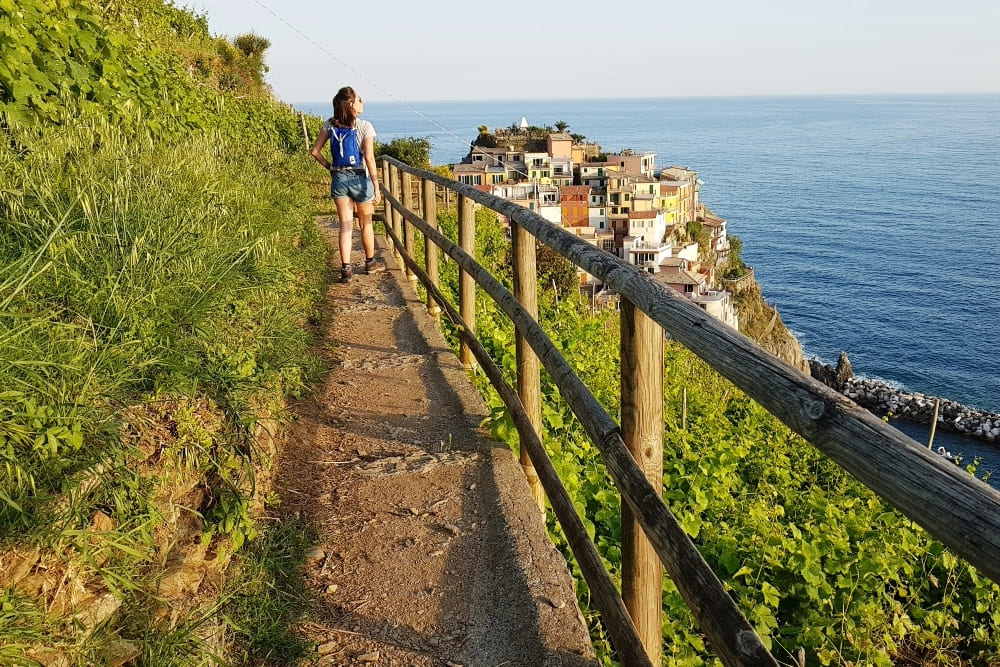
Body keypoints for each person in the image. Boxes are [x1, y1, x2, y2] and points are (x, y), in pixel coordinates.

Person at [311, 86, 385, 282]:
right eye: (360, 99)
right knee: (365, 222)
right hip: (360, 179)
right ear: (351, 104)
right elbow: (369, 158)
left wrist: (331, 168)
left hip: (339, 179)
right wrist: (376, 188)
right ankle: (370, 263)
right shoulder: (365, 126)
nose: (363, 102)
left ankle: (345, 269)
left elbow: (315, 152)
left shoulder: (330, 124)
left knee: (345, 224)